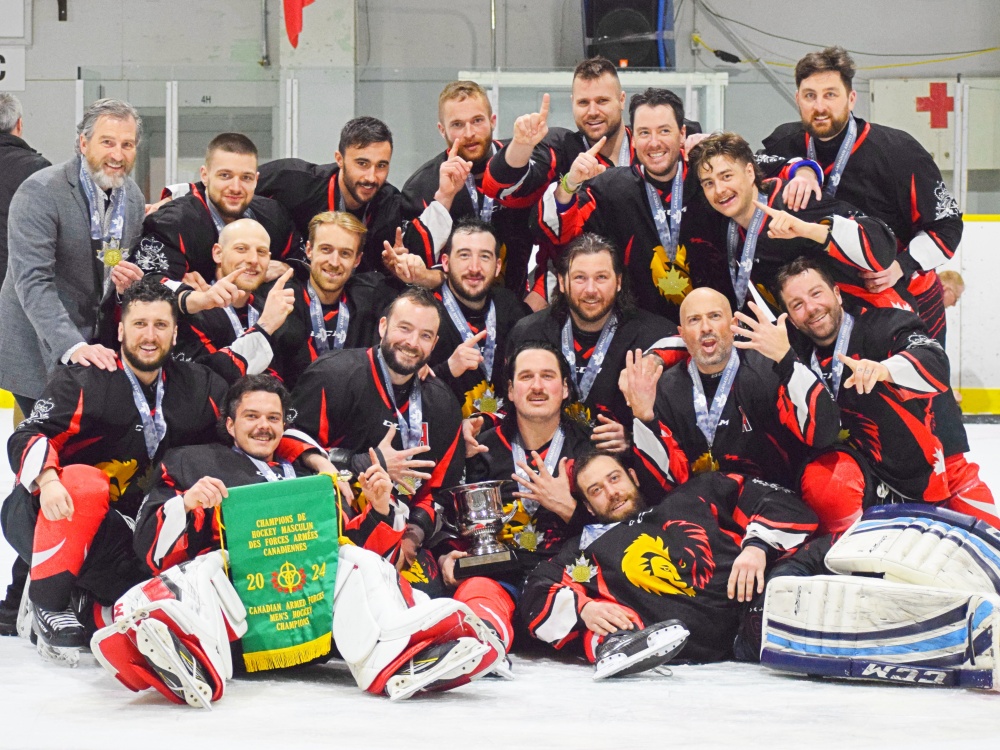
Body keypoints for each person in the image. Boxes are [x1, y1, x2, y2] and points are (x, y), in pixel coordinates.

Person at [520, 451, 818, 672]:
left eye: (615, 478)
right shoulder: (584, 553)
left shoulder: (698, 493)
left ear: (633, 477)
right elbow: (536, 588)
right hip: (735, 640)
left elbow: (781, 501)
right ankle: (613, 647)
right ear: (587, 505)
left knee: (811, 563)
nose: (612, 492)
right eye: (596, 490)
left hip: (762, 601)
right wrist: (585, 608)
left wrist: (757, 546)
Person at [760, 46, 961, 347]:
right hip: (830, 307)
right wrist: (800, 168)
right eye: (810, 95)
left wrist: (901, 266)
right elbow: (750, 169)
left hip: (904, 295)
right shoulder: (785, 141)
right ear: (797, 99)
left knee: (924, 389)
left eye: (830, 94)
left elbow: (948, 226)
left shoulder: (899, 152)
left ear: (851, 98)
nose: (820, 106)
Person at [775, 257, 998, 526]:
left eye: (816, 293)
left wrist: (885, 370)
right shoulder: (792, 355)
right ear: (791, 318)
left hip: (930, 464)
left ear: (837, 293)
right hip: (861, 471)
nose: (811, 308)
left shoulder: (887, 323)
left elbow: (935, 362)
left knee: (990, 542)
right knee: (824, 482)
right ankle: (845, 547)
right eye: (797, 304)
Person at [134, 374, 408, 574]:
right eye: (251, 416)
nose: (263, 426)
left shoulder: (314, 480)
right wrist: (185, 505)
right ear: (230, 425)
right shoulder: (192, 463)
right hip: (234, 605)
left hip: (314, 604)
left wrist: (380, 508)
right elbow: (150, 553)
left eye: (273, 418)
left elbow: (361, 558)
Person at [290, 286, 465, 572]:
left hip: (401, 538)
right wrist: (360, 463)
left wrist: (414, 534)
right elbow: (288, 446)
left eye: (424, 335)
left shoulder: (443, 404)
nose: (412, 342)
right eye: (404, 328)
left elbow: (441, 491)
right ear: (383, 327)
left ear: (434, 344)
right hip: (330, 529)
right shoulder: (331, 375)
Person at [438, 342, 594, 660]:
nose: (537, 386)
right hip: (499, 577)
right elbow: (440, 510)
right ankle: (482, 650)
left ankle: (609, 646)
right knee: (476, 590)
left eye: (547, 376)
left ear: (565, 388)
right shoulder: (478, 448)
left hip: (569, 577)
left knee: (596, 591)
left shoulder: (591, 451)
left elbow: (619, 530)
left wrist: (568, 508)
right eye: (526, 377)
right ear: (510, 391)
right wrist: (444, 556)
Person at [0, 98, 147, 411]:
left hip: (97, 346)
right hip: (37, 346)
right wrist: (73, 345)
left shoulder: (132, 197)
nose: (118, 155)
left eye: (127, 144)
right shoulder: (40, 191)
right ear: (83, 142)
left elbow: (112, 268)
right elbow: (32, 280)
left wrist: (124, 289)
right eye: (107, 142)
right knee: (46, 445)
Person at [532, 88, 728, 322]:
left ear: (682, 134)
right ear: (633, 138)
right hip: (639, 334)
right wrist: (570, 183)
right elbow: (557, 232)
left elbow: (752, 185)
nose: (654, 143)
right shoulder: (610, 188)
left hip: (713, 327)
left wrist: (784, 186)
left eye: (664, 131)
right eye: (644, 133)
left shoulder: (710, 181)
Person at [623, 287, 839, 495]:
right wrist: (644, 418)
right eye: (694, 320)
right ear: (682, 334)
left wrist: (787, 360)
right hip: (704, 509)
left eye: (715, 316)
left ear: (733, 324)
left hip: (771, 499)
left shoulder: (769, 369)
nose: (705, 327)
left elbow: (823, 433)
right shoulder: (665, 389)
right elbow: (663, 486)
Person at [689, 132, 901, 315]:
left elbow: (881, 248)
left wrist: (808, 230)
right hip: (814, 335)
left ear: (750, 172)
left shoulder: (794, 201)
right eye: (709, 183)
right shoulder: (728, 225)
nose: (719, 190)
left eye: (726, 176)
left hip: (871, 319)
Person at [507, 233, 676, 453]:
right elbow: (507, 407)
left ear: (619, 282)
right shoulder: (528, 333)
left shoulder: (654, 335)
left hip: (616, 473)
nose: (590, 290)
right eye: (579, 278)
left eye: (601, 277)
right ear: (562, 282)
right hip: (544, 462)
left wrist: (634, 438)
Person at [255, 117, 452, 278]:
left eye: (382, 165)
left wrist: (393, 269)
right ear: (339, 159)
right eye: (362, 163)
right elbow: (235, 194)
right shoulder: (293, 180)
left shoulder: (390, 206)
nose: (372, 177)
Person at [400, 81, 543, 297]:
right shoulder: (422, 186)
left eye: (477, 121)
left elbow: (556, 238)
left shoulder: (524, 166)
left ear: (493, 121)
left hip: (516, 305)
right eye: (457, 124)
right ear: (442, 130)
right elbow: (415, 262)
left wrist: (541, 292)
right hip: (448, 310)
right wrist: (443, 199)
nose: (469, 133)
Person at [385, 217, 529, 418]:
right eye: (464, 255)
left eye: (485, 257)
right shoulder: (422, 314)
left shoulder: (511, 307)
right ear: (445, 262)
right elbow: (393, 397)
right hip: (439, 436)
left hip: (501, 434)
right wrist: (448, 370)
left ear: (497, 266)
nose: (474, 268)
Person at [0, 92, 52, 636]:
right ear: (18, 121)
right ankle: (25, 586)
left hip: (17, 337)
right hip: (22, 340)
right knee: (39, 456)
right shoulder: (37, 176)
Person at [136, 132, 296, 284]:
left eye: (246, 177)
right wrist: (185, 293)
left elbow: (306, 261)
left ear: (256, 180)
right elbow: (151, 283)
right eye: (225, 175)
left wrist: (289, 268)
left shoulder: (273, 216)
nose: (235, 187)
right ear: (205, 176)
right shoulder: (174, 223)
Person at [280, 211, 396, 388]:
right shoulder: (282, 299)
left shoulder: (371, 296)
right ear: (309, 250)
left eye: (345, 254)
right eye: (326, 249)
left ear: (357, 260)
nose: (334, 262)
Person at [172, 218, 297, 383]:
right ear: (218, 253)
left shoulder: (271, 310)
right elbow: (205, 381)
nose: (253, 259)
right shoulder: (195, 311)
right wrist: (265, 327)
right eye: (241, 249)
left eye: (261, 252)